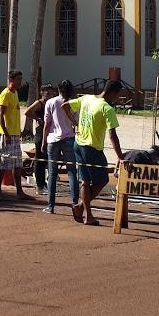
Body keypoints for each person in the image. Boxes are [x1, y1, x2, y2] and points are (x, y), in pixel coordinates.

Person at [70, 80, 129, 225]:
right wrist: (121, 157)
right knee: (102, 180)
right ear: (113, 93)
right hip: (91, 148)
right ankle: (82, 209)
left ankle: (85, 213)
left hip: (78, 143)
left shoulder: (87, 98)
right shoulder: (107, 108)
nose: (117, 98)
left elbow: (65, 106)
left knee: (85, 181)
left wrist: (74, 123)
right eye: (118, 95)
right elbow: (113, 135)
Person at [41, 80, 80, 215]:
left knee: (52, 173)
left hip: (53, 139)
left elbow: (47, 124)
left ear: (58, 89)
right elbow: (76, 122)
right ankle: (75, 204)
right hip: (69, 138)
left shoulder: (50, 102)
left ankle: (51, 206)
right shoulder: (74, 103)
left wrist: (43, 141)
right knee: (71, 173)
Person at [0, 70, 31, 201]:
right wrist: (6, 133)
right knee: (3, 163)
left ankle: (19, 191)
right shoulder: (5, 94)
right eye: (19, 79)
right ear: (12, 80)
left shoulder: (15, 93)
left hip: (15, 134)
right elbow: (0, 114)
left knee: (17, 164)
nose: (21, 82)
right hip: (7, 135)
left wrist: (19, 131)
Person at [23, 88, 50, 196]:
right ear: (42, 93)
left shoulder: (49, 103)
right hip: (40, 133)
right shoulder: (39, 103)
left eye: (51, 92)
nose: (49, 94)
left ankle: (43, 183)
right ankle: (40, 186)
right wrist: (37, 119)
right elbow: (27, 112)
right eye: (47, 92)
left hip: (48, 134)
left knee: (45, 161)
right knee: (40, 160)